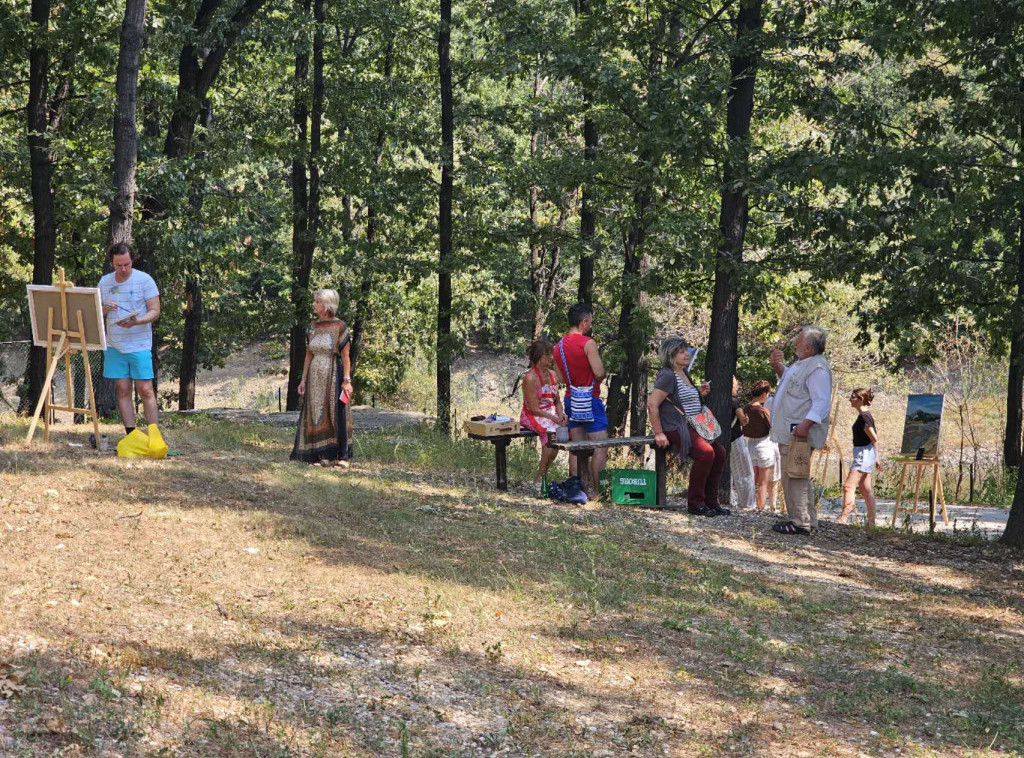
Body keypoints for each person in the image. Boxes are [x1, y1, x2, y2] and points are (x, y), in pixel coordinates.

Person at [648, 337, 728, 516]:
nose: (687, 354)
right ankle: (695, 503)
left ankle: (711, 501)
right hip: (675, 426)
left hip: (693, 424)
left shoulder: (684, 373)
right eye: (682, 351)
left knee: (720, 453)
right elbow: (652, 404)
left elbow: (679, 398)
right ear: (671, 355)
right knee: (706, 453)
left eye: (686, 350)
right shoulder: (667, 374)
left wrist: (699, 392)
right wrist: (659, 433)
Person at [769, 326, 833, 535]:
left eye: (798, 340)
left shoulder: (818, 369)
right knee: (796, 474)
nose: (795, 343)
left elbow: (821, 401)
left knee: (794, 475)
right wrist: (778, 366)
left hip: (798, 432)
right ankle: (808, 521)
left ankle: (800, 522)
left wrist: (805, 425)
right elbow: (788, 381)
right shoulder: (803, 363)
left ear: (807, 346)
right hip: (791, 429)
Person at [99, 243, 161, 437]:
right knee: (122, 388)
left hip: (139, 344)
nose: (123, 269)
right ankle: (131, 434)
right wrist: (105, 309)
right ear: (112, 263)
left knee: (145, 389)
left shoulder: (145, 280)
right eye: (119, 265)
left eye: (126, 264)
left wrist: (138, 321)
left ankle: (154, 434)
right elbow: (95, 312)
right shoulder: (105, 282)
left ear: (132, 260)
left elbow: (155, 311)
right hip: (115, 344)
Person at [291, 289, 353, 466]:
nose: (313, 304)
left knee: (335, 411)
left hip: (333, 372)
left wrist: (347, 380)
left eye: (317, 302)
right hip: (314, 375)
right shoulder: (312, 327)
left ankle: (342, 456)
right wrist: (303, 379)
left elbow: (346, 356)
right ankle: (319, 455)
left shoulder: (339, 326)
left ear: (327, 305)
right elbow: (309, 354)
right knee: (315, 412)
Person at [553, 304, 607, 496]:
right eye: (590, 322)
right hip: (590, 399)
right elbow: (599, 373)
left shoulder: (557, 347)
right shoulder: (588, 343)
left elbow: (560, 378)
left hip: (571, 399)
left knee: (578, 446)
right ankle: (599, 491)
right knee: (600, 445)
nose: (590, 326)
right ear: (583, 322)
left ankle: (579, 488)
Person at [517, 339, 568, 489]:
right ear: (538, 357)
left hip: (550, 413)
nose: (551, 358)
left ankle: (544, 473)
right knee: (551, 433)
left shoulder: (552, 375)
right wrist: (554, 419)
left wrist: (561, 414)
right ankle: (540, 476)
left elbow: (557, 401)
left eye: (551, 354)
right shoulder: (529, 378)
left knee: (561, 434)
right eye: (547, 355)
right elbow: (533, 408)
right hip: (533, 415)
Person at [838, 388, 882, 525]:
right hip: (863, 452)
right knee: (865, 489)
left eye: (853, 397)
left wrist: (877, 457)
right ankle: (871, 522)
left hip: (864, 454)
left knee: (848, 486)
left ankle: (844, 517)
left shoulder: (864, 417)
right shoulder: (863, 416)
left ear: (860, 399)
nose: (850, 399)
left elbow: (874, 438)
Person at [742, 379, 775, 511]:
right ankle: (760, 507)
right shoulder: (762, 411)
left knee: (752, 479)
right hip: (764, 445)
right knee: (763, 481)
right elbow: (771, 427)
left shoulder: (745, 409)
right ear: (763, 393)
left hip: (750, 445)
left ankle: (751, 503)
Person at [730, 376, 757, 510]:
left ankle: (730, 498)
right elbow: (742, 420)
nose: (738, 387)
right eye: (735, 384)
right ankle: (747, 503)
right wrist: (745, 419)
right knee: (745, 472)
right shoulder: (734, 402)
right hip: (736, 439)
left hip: (723, 439)